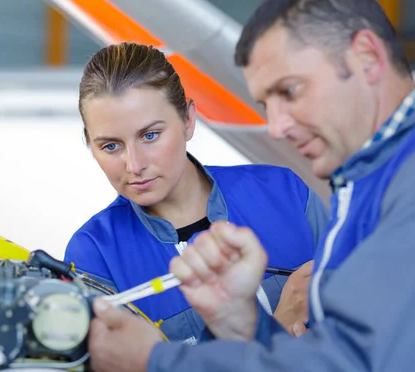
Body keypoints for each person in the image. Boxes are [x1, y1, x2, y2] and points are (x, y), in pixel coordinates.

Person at [85, 0, 415, 372]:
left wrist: (157, 361)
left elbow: (353, 365)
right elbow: (338, 351)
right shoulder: (377, 182)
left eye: (290, 91)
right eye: (268, 102)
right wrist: (244, 323)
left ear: (367, 57)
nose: (277, 126)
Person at [63, 42, 329, 342]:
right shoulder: (94, 255)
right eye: (110, 146)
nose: (134, 165)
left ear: (188, 120)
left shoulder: (286, 195)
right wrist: (274, 332)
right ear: (89, 143)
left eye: (150, 135)